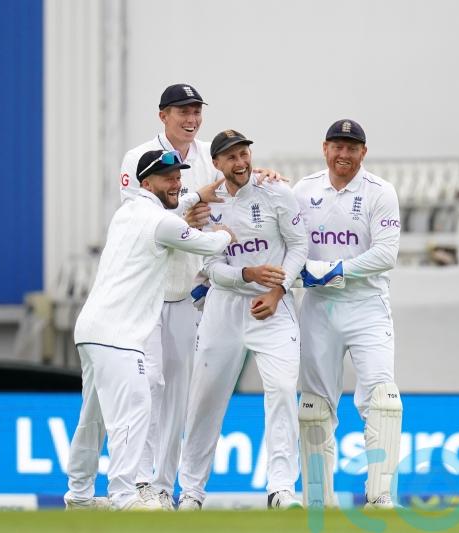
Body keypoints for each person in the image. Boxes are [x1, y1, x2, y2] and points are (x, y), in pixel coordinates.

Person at [117, 84, 282, 510]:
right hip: (149, 292)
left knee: (178, 396)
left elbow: (244, 185)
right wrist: (195, 200)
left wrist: (267, 177)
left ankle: (162, 488)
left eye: (195, 111)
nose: (190, 119)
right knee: (146, 385)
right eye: (181, 111)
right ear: (162, 115)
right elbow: (145, 216)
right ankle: (136, 482)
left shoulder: (213, 157)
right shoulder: (139, 158)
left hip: (192, 295)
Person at [64, 150, 235, 511]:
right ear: (146, 183)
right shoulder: (161, 223)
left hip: (92, 328)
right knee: (136, 408)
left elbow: (170, 208)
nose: (176, 183)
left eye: (178, 177)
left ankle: (79, 496)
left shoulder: (127, 214)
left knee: (93, 416)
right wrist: (222, 233)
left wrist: (193, 196)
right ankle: (124, 497)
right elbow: (206, 243)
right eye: (167, 178)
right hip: (119, 334)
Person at [176, 130, 308, 511]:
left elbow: (298, 244)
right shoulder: (205, 206)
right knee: (205, 398)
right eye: (231, 157)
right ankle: (192, 492)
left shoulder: (277, 192)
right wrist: (246, 275)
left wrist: (278, 290)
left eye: (244, 153)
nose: (241, 162)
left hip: (273, 305)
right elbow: (211, 265)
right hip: (224, 308)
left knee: (282, 390)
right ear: (217, 164)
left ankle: (281, 489)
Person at [293, 120, 403, 509]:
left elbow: (386, 254)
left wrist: (335, 269)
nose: (344, 155)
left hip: (367, 306)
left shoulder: (380, 192)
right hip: (319, 309)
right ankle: (318, 502)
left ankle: (380, 497)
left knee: (385, 399)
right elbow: (287, 241)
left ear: (363, 152)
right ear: (325, 148)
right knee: (314, 406)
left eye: (352, 148)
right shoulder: (303, 190)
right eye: (337, 147)